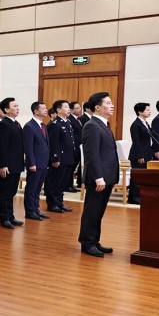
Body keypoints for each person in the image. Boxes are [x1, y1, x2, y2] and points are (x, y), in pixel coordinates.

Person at [78, 92, 119, 258]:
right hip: (98, 178)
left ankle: (95, 241)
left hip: (107, 176)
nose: (112, 105)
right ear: (97, 107)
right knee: (92, 211)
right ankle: (87, 243)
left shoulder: (104, 124)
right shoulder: (92, 126)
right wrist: (98, 177)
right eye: (108, 103)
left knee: (99, 211)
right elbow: (92, 154)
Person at [0, 97, 24, 228]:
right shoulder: (4, 124)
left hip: (16, 164)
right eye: (14, 106)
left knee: (11, 192)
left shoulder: (16, 124)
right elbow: (1, 147)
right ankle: (4, 218)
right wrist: (2, 165)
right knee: (4, 193)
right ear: (6, 109)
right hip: (8, 165)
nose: (17, 108)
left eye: (17, 106)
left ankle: (10, 216)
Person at [45, 100, 75, 214]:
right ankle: (52, 204)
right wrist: (55, 158)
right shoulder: (55, 124)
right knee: (55, 182)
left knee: (63, 182)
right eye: (66, 107)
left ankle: (59, 203)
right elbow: (54, 143)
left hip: (68, 157)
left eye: (69, 107)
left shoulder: (67, 122)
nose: (69, 109)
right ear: (58, 110)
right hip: (60, 158)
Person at [22, 102, 51, 221]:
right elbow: (28, 147)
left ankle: (36, 209)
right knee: (31, 188)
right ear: (35, 111)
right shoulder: (29, 126)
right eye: (43, 108)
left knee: (38, 189)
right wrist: (31, 163)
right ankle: (30, 211)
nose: (46, 110)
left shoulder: (43, 125)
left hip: (43, 162)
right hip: (35, 163)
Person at [127, 102, 154, 205]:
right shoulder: (135, 125)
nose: (149, 111)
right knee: (137, 177)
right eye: (147, 110)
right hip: (138, 155)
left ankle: (141, 196)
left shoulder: (146, 123)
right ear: (140, 112)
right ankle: (134, 198)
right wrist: (140, 155)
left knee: (144, 177)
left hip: (146, 153)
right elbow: (136, 141)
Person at [67, 101, 83, 191]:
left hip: (79, 146)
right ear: (71, 110)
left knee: (74, 166)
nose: (79, 110)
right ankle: (68, 185)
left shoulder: (78, 119)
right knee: (71, 167)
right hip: (74, 146)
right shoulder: (70, 119)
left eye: (80, 108)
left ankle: (70, 184)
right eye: (77, 108)